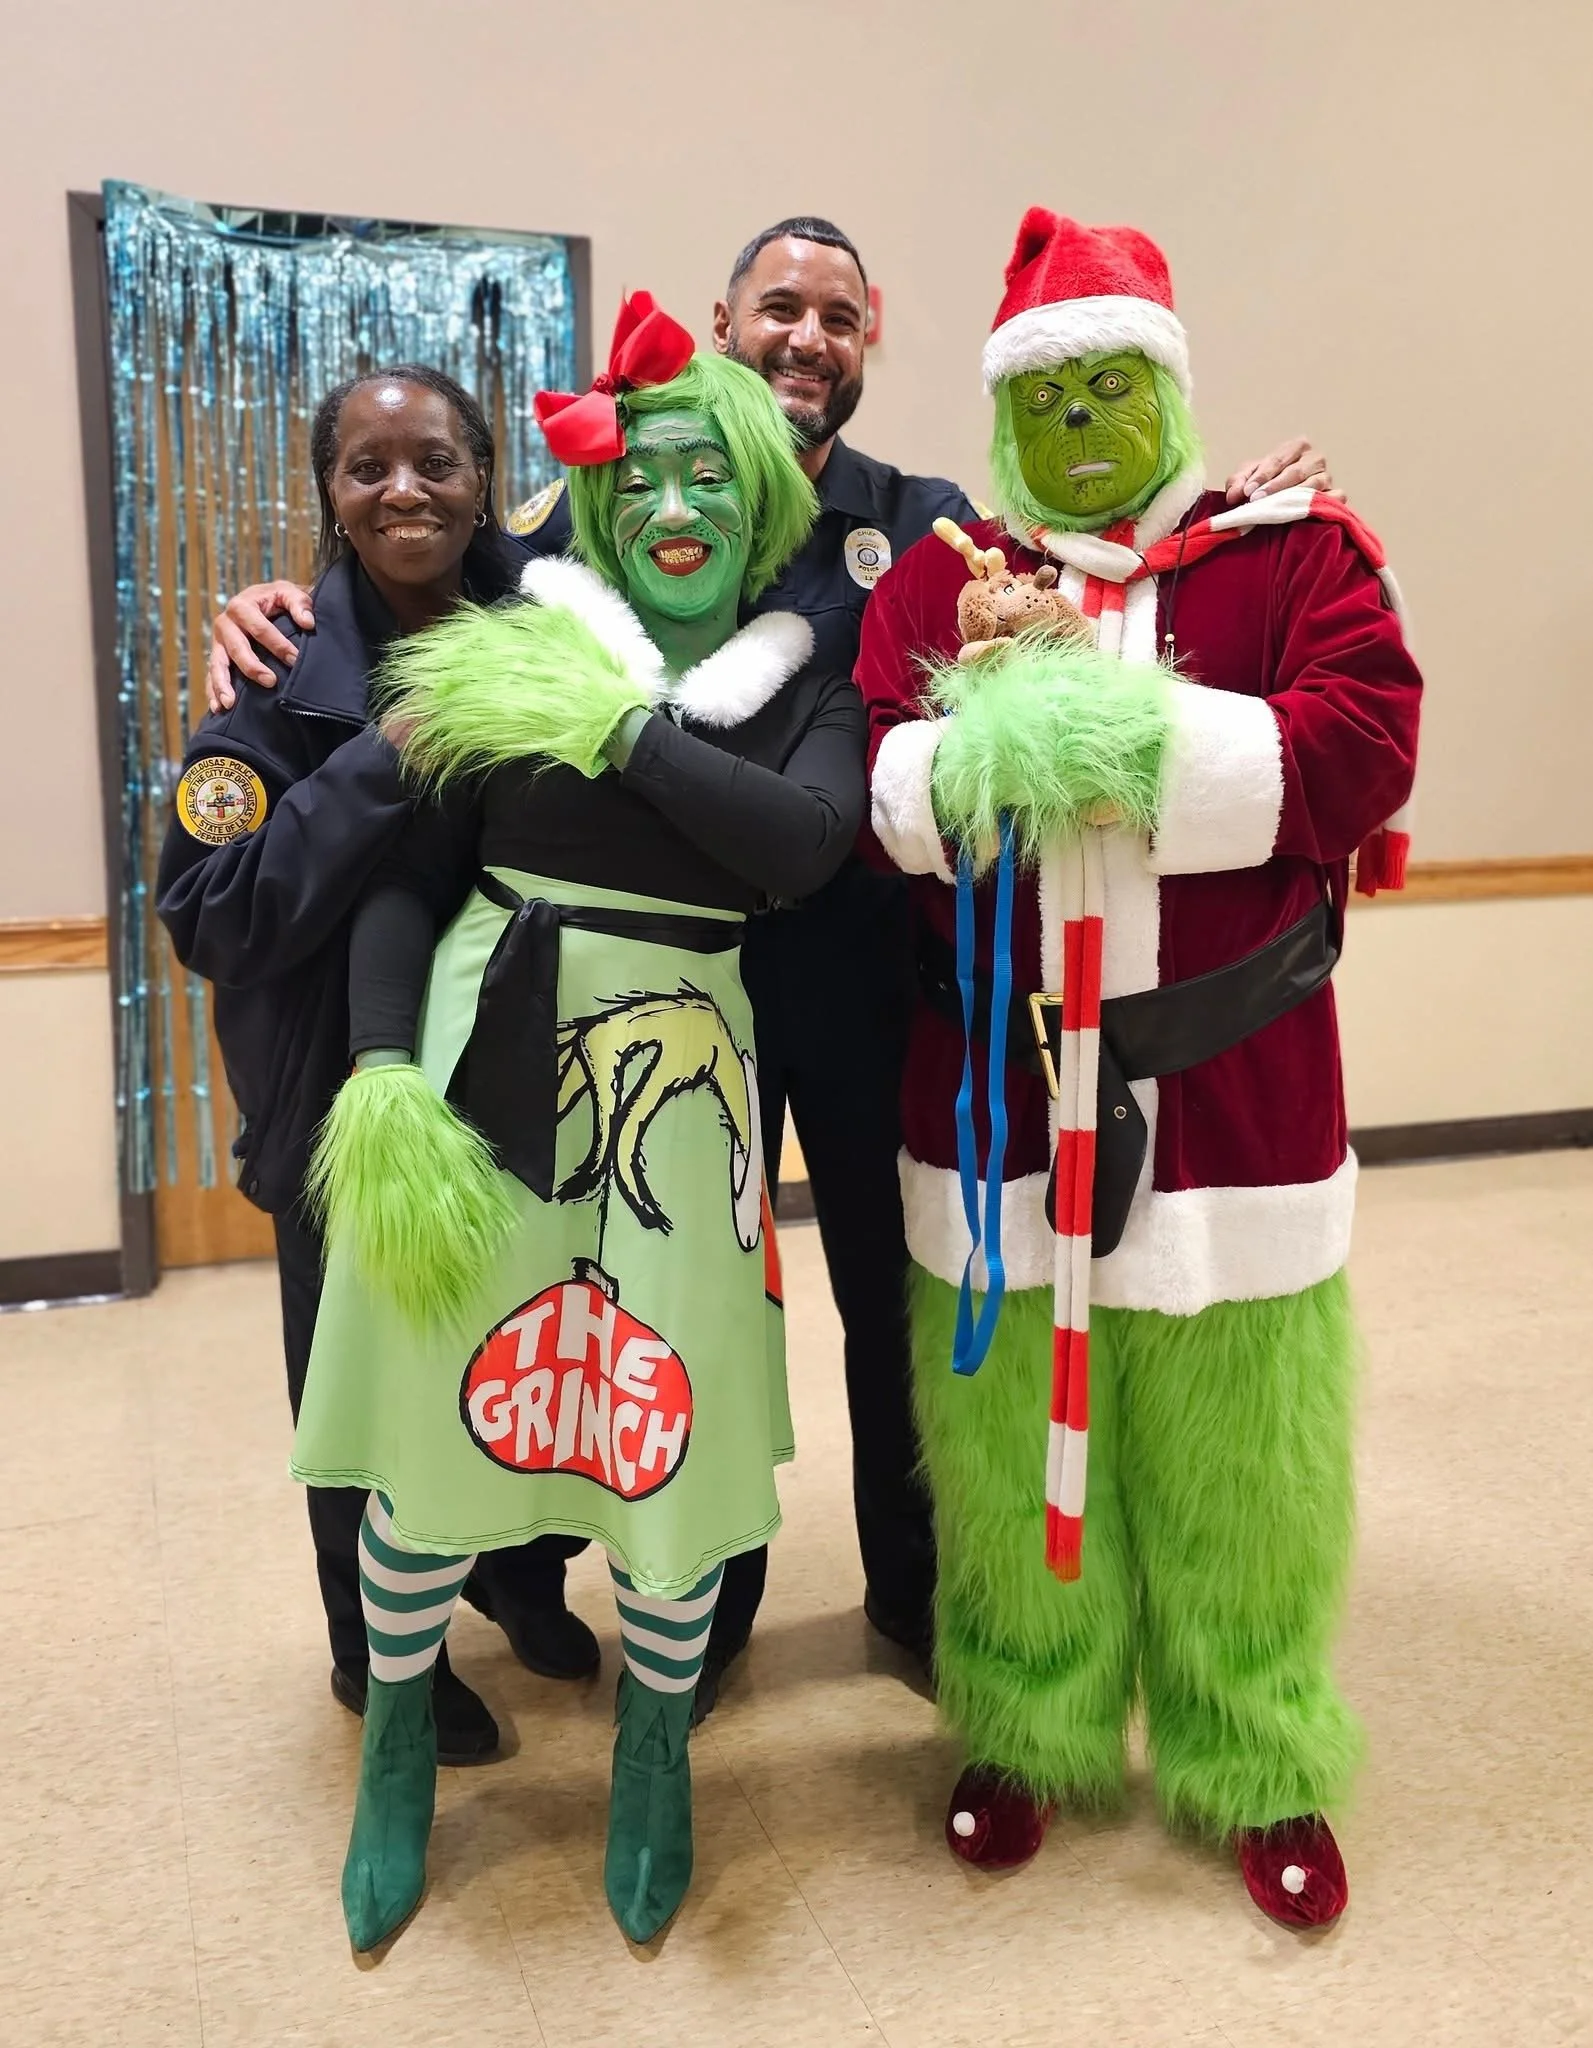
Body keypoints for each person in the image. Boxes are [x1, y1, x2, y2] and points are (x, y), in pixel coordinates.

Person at [203, 216, 1337, 1715]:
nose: (808, 336)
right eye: (779, 308)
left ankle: (919, 1593)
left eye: (840, 316)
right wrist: (275, 604)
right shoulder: (585, 508)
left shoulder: (923, 523)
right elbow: (439, 571)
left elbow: (1081, 569)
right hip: (652, 982)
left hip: (863, 978)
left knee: (890, 1296)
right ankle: (659, 1593)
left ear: (871, 342)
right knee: (629, 1289)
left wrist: (1233, 505)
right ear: (729, 323)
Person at [857, 211, 1420, 1928]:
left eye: (1117, 386)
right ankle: (1026, 1724)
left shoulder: (1295, 553)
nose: (1087, 421)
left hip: (1239, 1086)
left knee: (1245, 1442)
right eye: (1054, 393)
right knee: (1010, 1426)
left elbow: (1365, 747)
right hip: (1001, 1095)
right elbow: (890, 791)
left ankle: (1256, 1746)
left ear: (1168, 392)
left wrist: (1121, 736)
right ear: (1008, 412)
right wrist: (1003, 728)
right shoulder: (954, 572)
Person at [291, 293, 864, 1948]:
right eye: (647, 484)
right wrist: (384, 1071)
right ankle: (398, 1737)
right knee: (426, 1421)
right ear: (605, 505)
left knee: (662, 1428)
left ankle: (657, 1748)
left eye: (713, 482)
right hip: (478, 1067)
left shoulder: (803, 680)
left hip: (686, 1106)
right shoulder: (506, 646)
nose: (677, 510)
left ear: (756, 505)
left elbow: (800, 845)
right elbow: (406, 887)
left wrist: (620, 728)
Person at [157, 368, 601, 1771]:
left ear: (483, 478)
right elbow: (212, 916)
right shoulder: (277, 680)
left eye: (435, 462)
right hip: (339, 1103)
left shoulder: (540, 629)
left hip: (524, 1087)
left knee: (530, 1348)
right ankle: (368, 1656)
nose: (403, 490)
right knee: (361, 1384)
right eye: (367, 468)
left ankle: (518, 1575)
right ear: (330, 495)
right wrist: (381, 761)